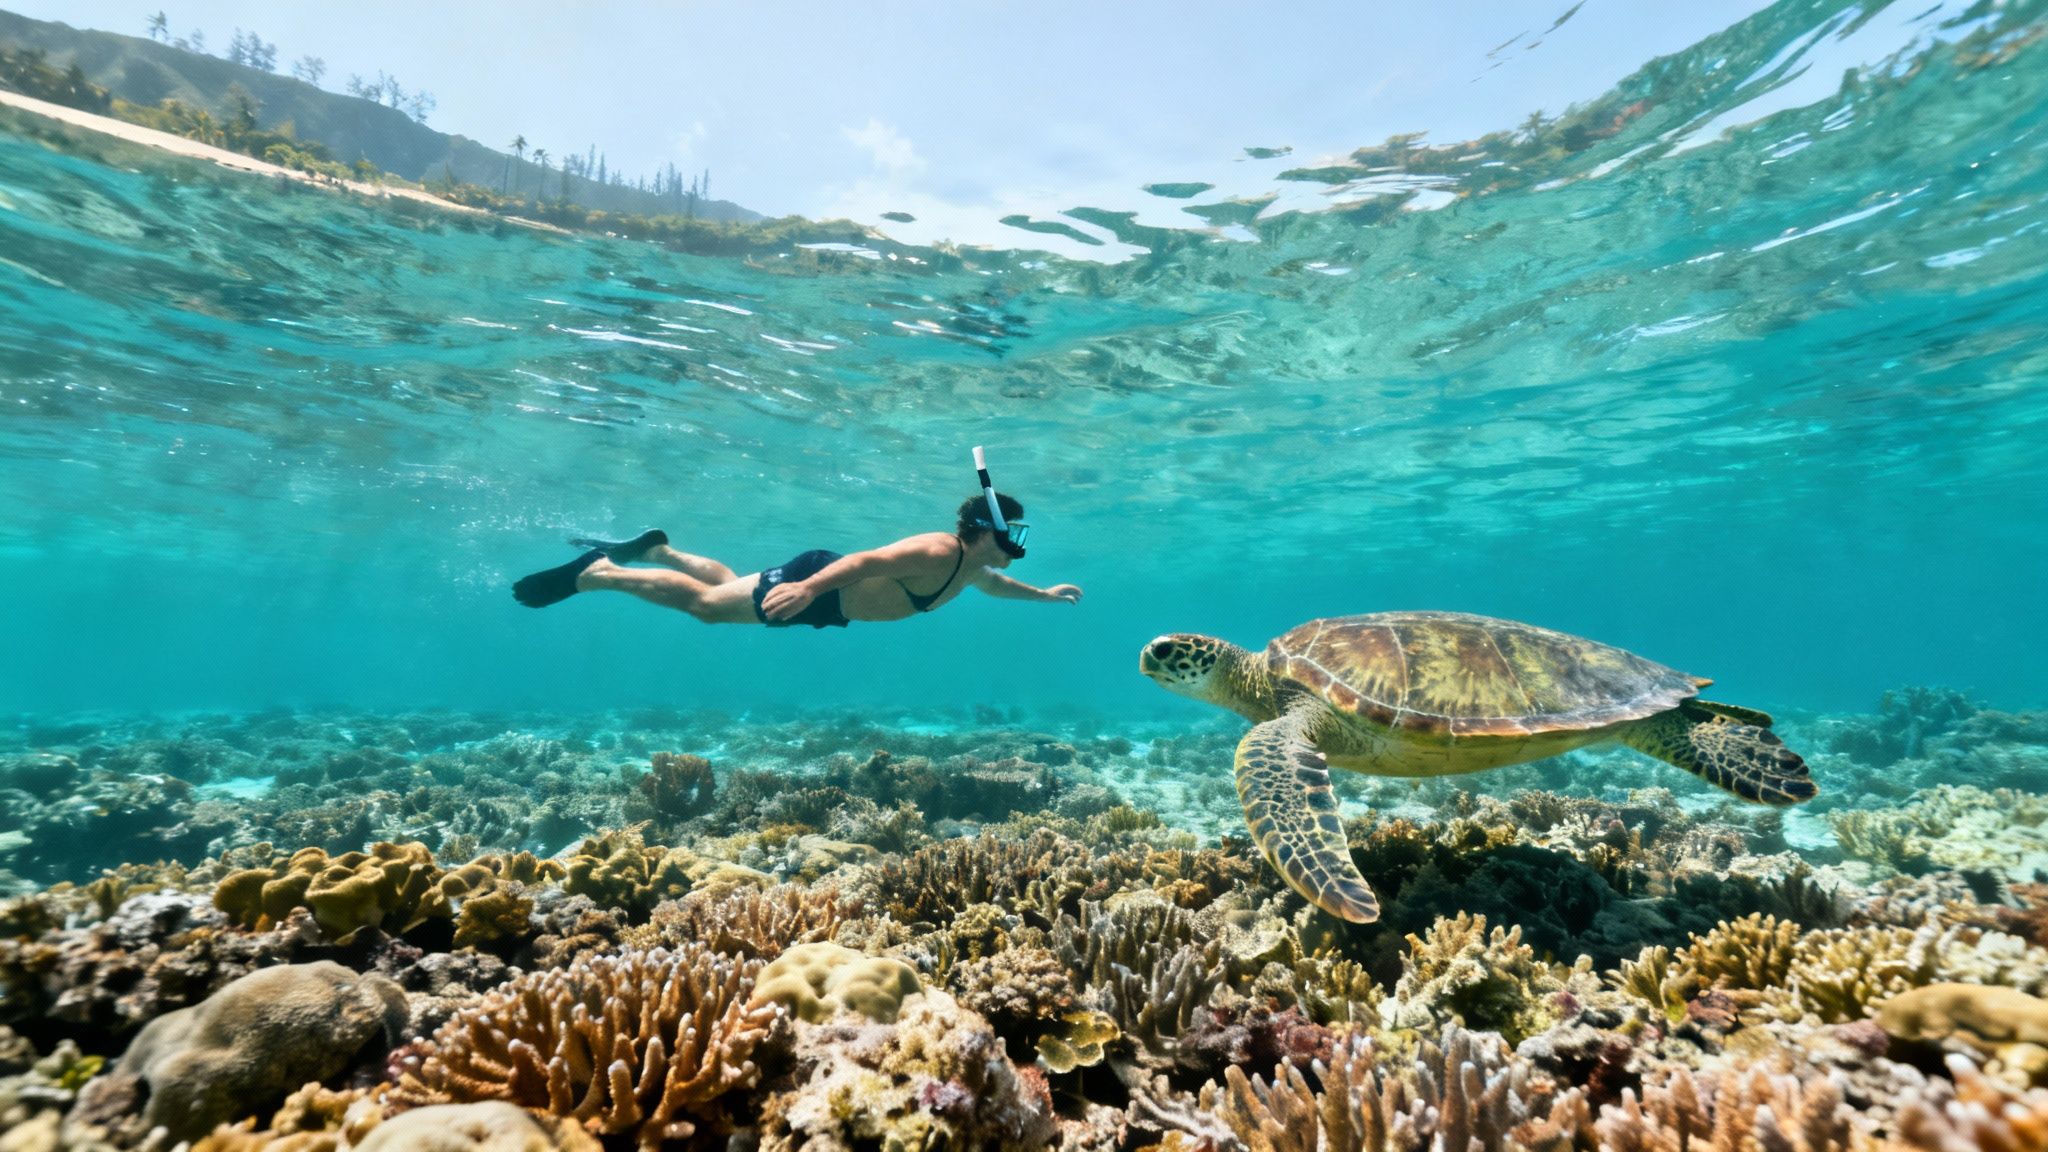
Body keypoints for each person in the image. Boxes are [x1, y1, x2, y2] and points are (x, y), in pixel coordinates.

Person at [511, 492, 1083, 627]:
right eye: (1016, 535)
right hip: (823, 585)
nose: (1020, 548)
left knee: (731, 585)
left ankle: (658, 549)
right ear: (989, 531)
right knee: (710, 608)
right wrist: (808, 590)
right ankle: (602, 573)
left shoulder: (970, 566)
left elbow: (996, 586)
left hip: (827, 603)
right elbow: (862, 562)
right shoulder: (937, 549)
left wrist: (1046, 594)